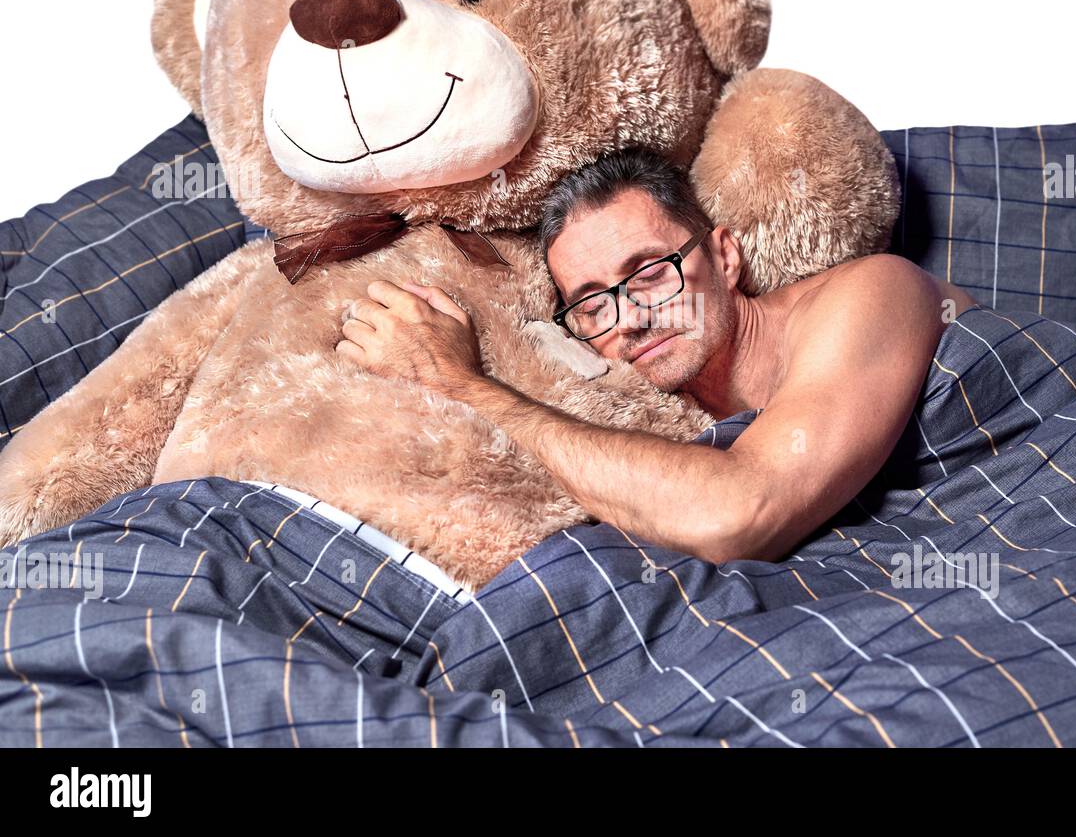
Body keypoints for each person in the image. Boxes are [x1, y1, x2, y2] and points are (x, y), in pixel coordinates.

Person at [335, 149, 978, 564]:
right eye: (591, 303)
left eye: (648, 272)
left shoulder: (869, 290)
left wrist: (463, 384)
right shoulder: (654, 419)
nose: (631, 318)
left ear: (724, 257)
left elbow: (740, 512)